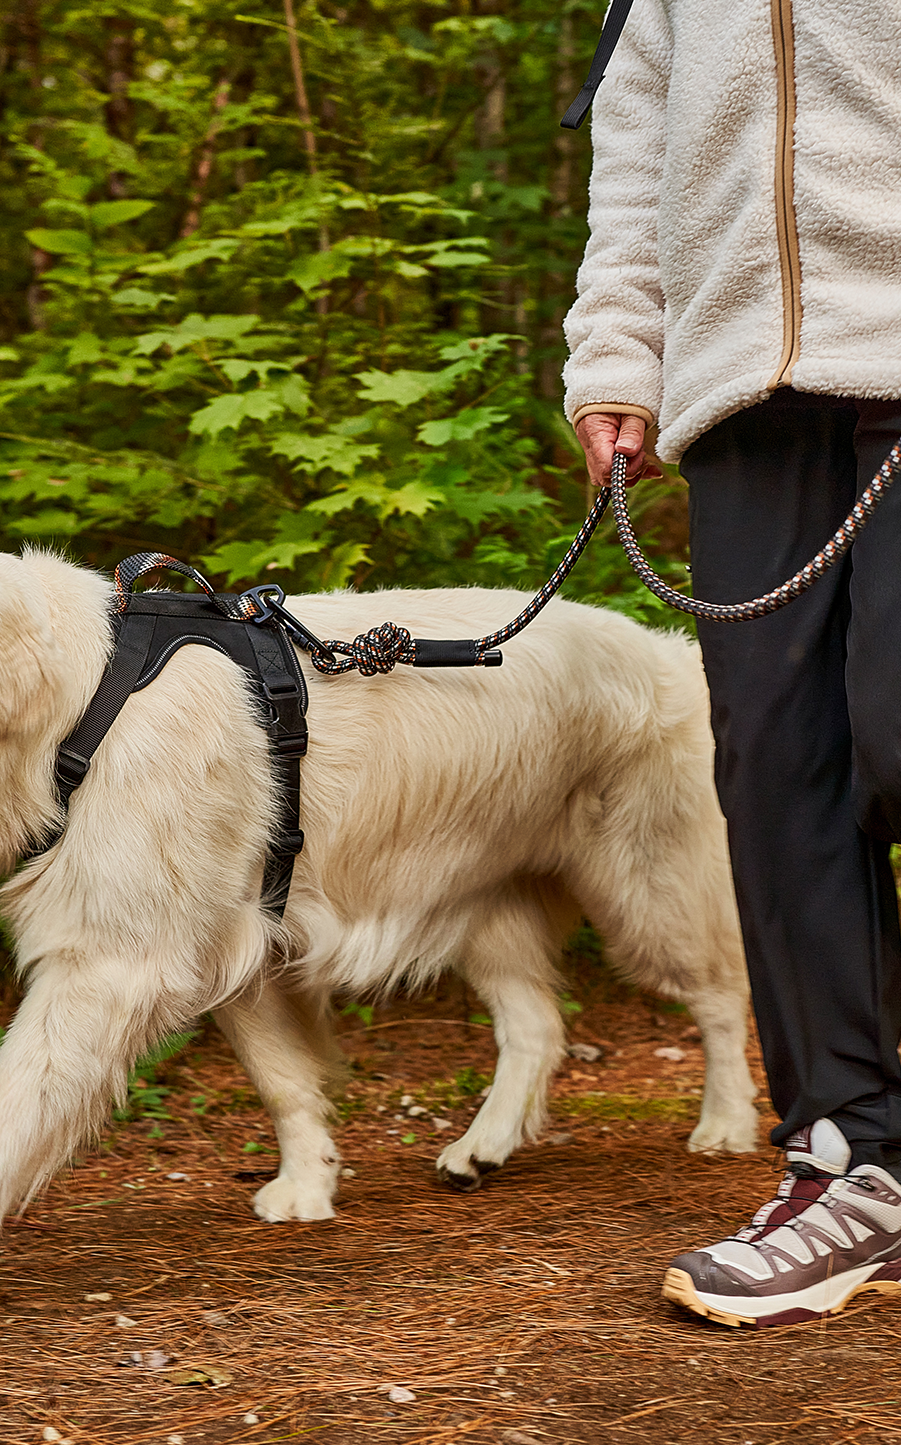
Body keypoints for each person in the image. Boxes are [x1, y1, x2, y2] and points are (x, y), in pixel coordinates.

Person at [563, 0, 901, 1327]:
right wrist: (618, 358)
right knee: (777, 782)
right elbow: (637, 154)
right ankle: (854, 1164)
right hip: (741, 402)